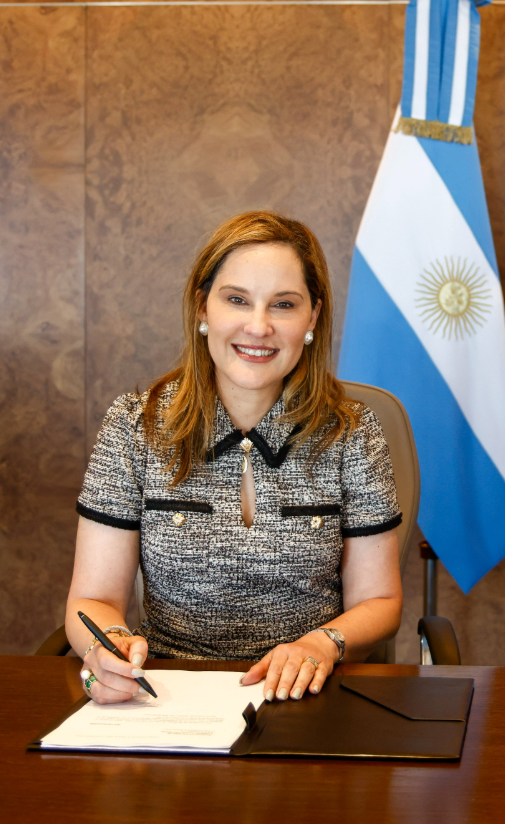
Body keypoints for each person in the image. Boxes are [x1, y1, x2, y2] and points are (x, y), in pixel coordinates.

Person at [67, 211, 403, 705]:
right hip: (165, 695)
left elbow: (380, 600)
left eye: (283, 304)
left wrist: (322, 644)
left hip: (309, 696)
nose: (259, 326)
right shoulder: (135, 426)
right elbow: (93, 599)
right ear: (202, 306)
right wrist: (109, 648)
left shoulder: (352, 434)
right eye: (237, 300)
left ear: (312, 318)